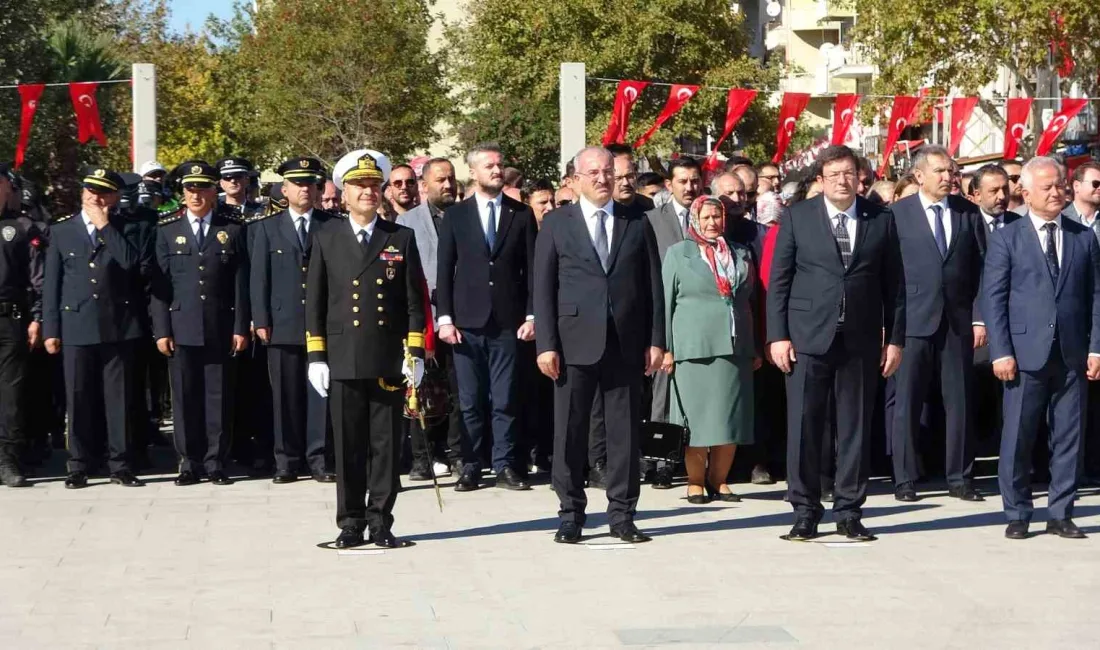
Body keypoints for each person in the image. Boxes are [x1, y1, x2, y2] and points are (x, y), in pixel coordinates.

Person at [767, 145, 905, 542]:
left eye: (849, 173)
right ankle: (805, 510)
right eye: (834, 175)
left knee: (855, 428)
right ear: (820, 180)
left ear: (859, 177)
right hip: (808, 336)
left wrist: (894, 339)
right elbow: (780, 281)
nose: (842, 181)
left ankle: (849, 510)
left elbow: (895, 286)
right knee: (805, 427)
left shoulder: (881, 218)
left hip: (860, 339)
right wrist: (778, 335)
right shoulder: (797, 217)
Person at [534, 146, 664, 544]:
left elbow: (653, 287)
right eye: (593, 172)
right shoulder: (558, 223)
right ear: (575, 179)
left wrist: (656, 340)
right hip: (573, 343)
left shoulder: (637, 222)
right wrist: (546, 344)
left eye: (609, 171)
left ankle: (623, 514)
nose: (603, 178)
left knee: (624, 431)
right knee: (570, 431)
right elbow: (544, 287)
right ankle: (571, 513)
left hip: (625, 342)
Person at [305, 150, 429, 549]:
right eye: (359, 186)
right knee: (348, 446)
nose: (368, 192)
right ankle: (350, 522)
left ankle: (381, 521)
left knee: (386, 446)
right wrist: (316, 356)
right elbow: (316, 303)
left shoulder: (400, 238)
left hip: (387, 357)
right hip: (343, 357)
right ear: (344, 194)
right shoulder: (326, 238)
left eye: (375, 186)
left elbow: (414, 302)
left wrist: (416, 353)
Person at [983, 156, 1100, 540]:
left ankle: (1061, 511)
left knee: (1069, 435)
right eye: (1047, 187)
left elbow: (1096, 296)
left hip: (1071, 353)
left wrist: (1095, 348)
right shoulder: (1007, 237)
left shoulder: (1083, 236)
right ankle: (1017, 511)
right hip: (1023, 352)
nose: (1056, 192)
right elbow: (994, 297)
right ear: (1026, 192)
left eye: (1060, 185)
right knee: (1018, 434)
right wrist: (1001, 351)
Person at [437, 143, 537, 492]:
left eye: (499, 164)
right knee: (469, 400)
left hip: (508, 321)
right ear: (474, 173)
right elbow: (445, 268)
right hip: (466, 322)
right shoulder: (456, 215)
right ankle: (471, 464)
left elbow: (533, 269)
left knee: (505, 397)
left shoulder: (520, 214)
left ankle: (505, 463)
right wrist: (444, 318)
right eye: (489, 166)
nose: (497, 170)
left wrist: (532, 313)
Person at [888, 145, 985, 502]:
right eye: (940, 171)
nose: (948, 177)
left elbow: (982, 269)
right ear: (918, 176)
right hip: (913, 321)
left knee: (959, 401)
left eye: (951, 171)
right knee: (908, 401)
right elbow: (889, 275)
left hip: (957, 322)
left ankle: (961, 477)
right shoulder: (897, 215)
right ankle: (905, 478)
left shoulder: (967, 213)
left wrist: (978, 316)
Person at [44, 168, 147, 489]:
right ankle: (77, 465)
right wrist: (51, 329)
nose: (94, 197)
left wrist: (105, 226)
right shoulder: (62, 231)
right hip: (76, 325)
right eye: (90, 190)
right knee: (78, 399)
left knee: (118, 400)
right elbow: (53, 284)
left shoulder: (127, 228)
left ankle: (120, 464)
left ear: (115, 197)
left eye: (103, 193)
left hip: (118, 326)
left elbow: (131, 263)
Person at [151, 162, 249, 487]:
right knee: (185, 397)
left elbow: (240, 283)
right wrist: (162, 330)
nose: (196, 194)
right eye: (190, 188)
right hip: (181, 327)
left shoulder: (232, 229)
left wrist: (239, 326)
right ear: (183, 193)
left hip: (220, 325)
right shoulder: (166, 230)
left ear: (214, 191)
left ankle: (216, 462)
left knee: (218, 397)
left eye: (203, 188)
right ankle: (189, 462)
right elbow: (160, 287)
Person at [662, 196, 759, 503]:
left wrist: (753, 345)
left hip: (734, 346)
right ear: (695, 219)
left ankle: (719, 480)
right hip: (693, 348)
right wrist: (666, 349)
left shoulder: (740, 253)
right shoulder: (679, 253)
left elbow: (751, 301)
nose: (712, 222)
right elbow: (665, 304)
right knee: (697, 420)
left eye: (717, 216)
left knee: (729, 418)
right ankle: (695, 482)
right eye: (706, 217)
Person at [248, 158, 338, 484]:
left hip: (322, 325)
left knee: (320, 395)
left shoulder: (331, 225)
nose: (304, 189)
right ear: (283, 189)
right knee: (283, 397)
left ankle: (319, 459)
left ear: (317, 189)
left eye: (310, 183)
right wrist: (260, 318)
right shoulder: (266, 227)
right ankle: (286, 460)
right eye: (297, 183)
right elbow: (259, 277)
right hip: (282, 323)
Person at [396, 157, 465, 480]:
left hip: (461, 319)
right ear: (424, 186)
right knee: (419, 389)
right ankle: (422, 456)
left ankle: (456, 452)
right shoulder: (407, 223)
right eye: (440, 180)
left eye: (451, 178)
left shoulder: (466, 217)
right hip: (422, 317)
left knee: (457, 388)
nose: (447, 185)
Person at [640, 158, 703, 490]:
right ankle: (661, 462)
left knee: (694, 392)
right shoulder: (651, 220)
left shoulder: (711, 215)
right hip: (665, 317)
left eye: (695, 180)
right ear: (670, 185)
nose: (690, 187)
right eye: (683, 181)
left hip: (699, 320)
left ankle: (695, 460)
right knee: (663, 394)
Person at [0, 163, 43, 487]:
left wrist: (38, 318)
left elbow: (37, 280)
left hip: (9, 319)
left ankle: (7, 459)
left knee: (11, 395)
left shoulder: (22, 228)